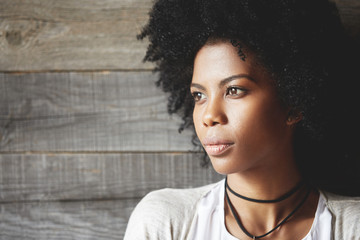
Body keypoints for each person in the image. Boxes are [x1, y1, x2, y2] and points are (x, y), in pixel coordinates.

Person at [124, 0, 360, 239]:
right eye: (199, 95)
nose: (209, 116)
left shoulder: (351, 226)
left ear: (294, 101)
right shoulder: (167, 220)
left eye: (234, 90)